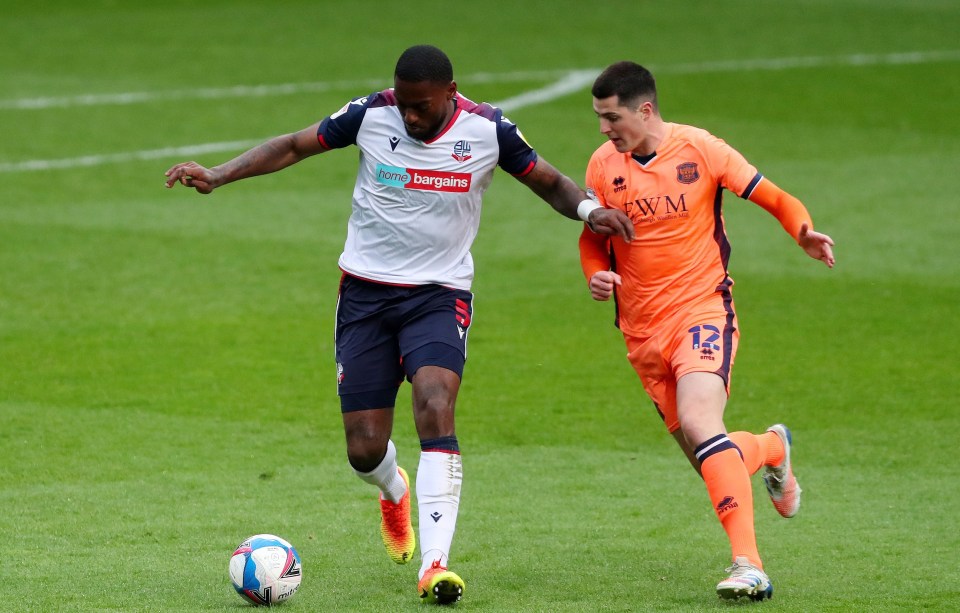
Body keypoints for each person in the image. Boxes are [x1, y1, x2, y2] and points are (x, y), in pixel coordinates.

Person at [164, 45, 634, 605]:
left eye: (422, 106)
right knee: (364, 449)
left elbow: (550, 182)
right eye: (405, 104)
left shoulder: (489, 131)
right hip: (364, 295)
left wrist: (588, 211)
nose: (410, 116)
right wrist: (219, 174)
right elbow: (292, 145)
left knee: (436, 402)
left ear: (450, 94)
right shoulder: (370, 115)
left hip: (438, 295)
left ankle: (435, 565)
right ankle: (393, 491)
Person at [578, 61, 835, 601]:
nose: (603, 129)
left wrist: (803, 232)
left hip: (701, 310)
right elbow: (592, 236)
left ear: (644, 110)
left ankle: (750, 565)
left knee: (701, 422)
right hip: (640, 330)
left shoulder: (701, 150)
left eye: (611, 117)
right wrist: (595, 274)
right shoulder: (604, 165)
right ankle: (769, 446)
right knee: (710, 459)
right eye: (599, 118)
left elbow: (777, 198)